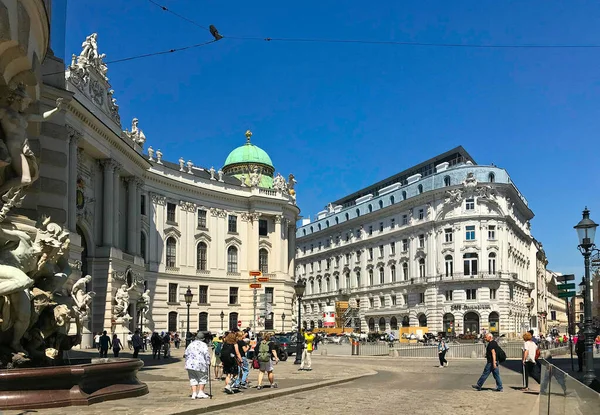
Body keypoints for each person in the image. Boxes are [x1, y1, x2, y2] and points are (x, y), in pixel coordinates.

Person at [184, 332, 211, 399]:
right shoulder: (203, 345)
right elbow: (206, 354)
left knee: (193, 378)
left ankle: (194, 393)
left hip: (190, 364)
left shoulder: (191, 344)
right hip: (200, 364)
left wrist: (187, 362)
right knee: (202, 377)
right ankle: (201, 392)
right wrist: (208, 362)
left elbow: (186, 354)